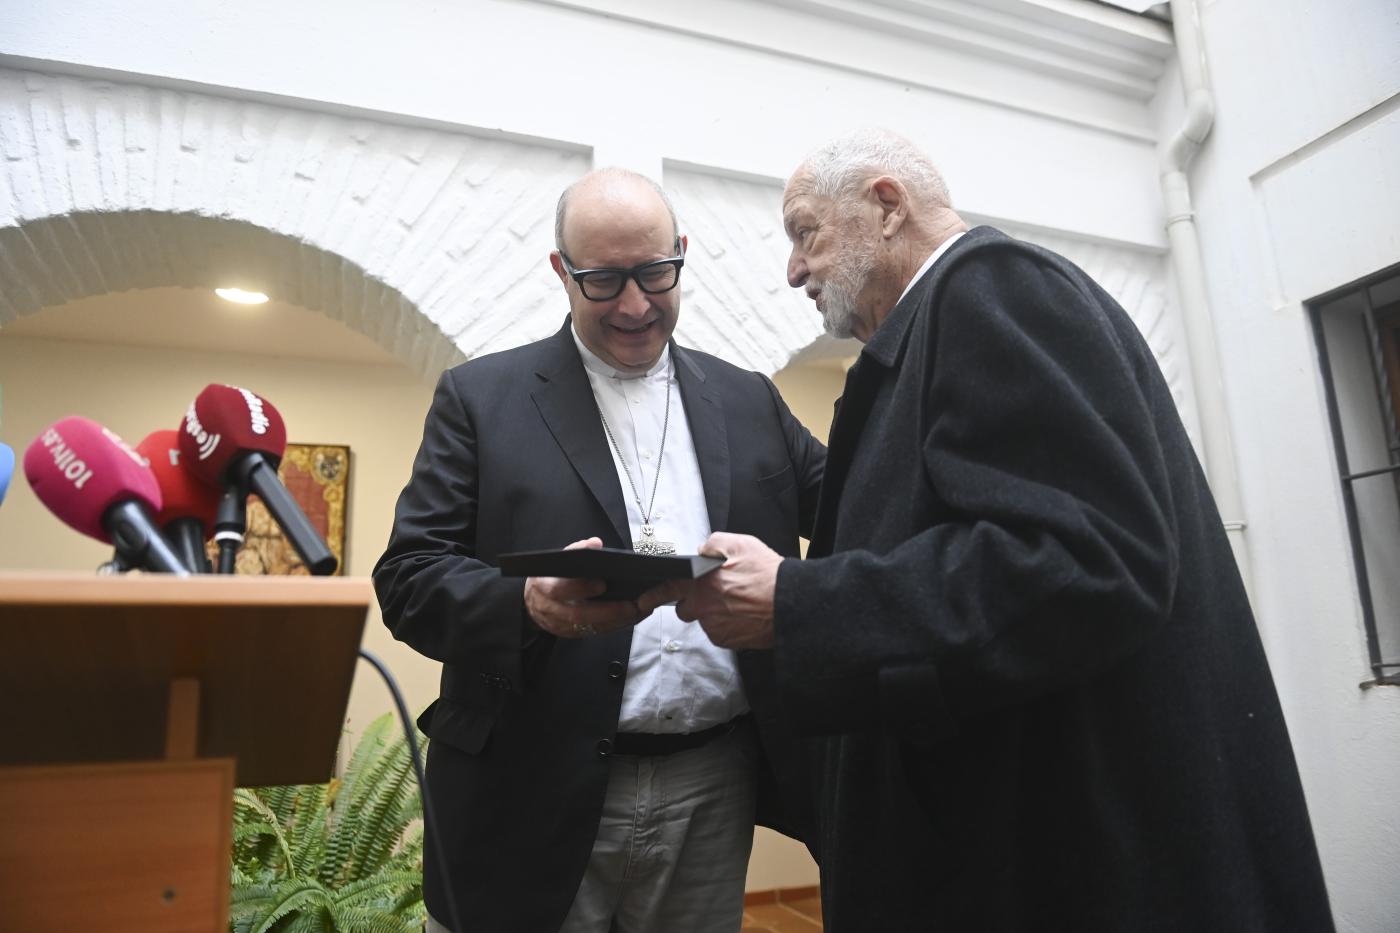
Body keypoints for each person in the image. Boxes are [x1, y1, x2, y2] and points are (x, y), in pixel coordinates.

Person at [653, 130, 1336, 931]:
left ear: (885, 205)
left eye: (805, 231)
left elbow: (1087, 560)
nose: (794, 267)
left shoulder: (993, 287)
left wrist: (797, 603)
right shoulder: (939, 329)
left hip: (1061, 880)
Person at [373, 168, 824, 933]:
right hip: (530, 784)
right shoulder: (480, 399)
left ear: (681, 253)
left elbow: (859, 506)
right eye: (604, 279)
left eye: (655, 273)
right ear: (561, 270)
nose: (635, 303)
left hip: (715, 784)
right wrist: (524, 606)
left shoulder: (750, 398)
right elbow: (409, 578)